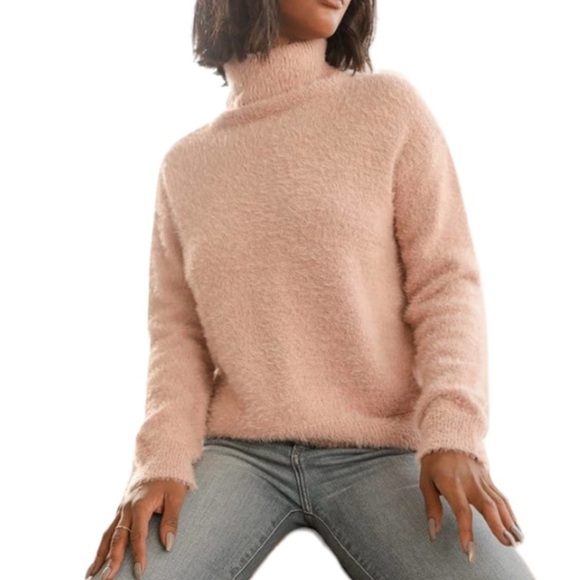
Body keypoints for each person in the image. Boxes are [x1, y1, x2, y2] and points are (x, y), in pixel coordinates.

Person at [85, 1, 537, 579]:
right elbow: (177, 336)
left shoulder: (388, 107)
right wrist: (159, 462)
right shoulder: (185, 166)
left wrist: (453, 430)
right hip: (241, 451)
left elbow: (446, 283)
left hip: (380, 447)